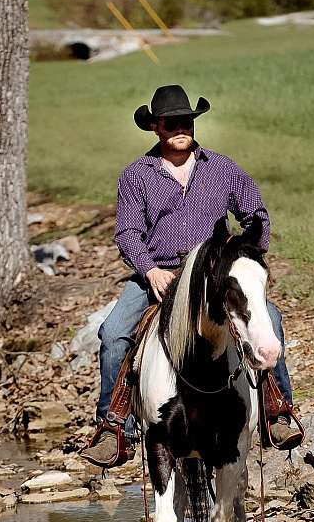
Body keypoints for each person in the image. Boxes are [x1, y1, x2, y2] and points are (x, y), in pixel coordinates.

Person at [82, 84, 301, 467]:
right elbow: (128, 233)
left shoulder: (223, 168)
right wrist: (149, 270)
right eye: (171, 122)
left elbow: (256, 215)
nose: (180, 128)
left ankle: (276, 409)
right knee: (114, 332)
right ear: (156, 127)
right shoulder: (136, 175)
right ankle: (115, 426)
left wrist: (245, 254)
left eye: (186, 121)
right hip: (160, 272)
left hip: (216, 275)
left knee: (273, 320)